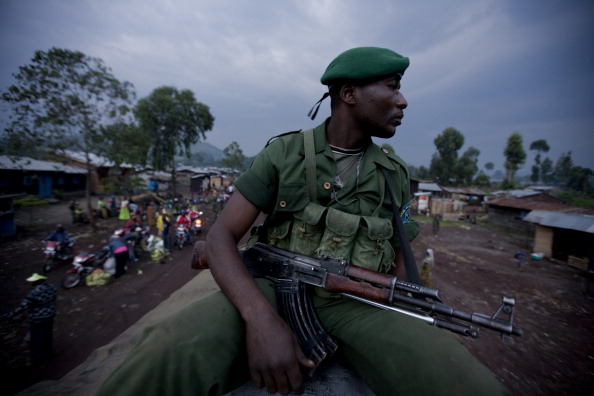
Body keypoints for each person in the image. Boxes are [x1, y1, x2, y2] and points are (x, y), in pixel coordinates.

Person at [97, 47, 511, 396]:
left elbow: (403, 259)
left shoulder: (394, 173)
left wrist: (418, 319)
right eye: (393, 87)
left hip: (357, 305)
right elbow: (222, 235)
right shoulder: (284, 154)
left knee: (463, 380)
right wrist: (259, 319)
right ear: (348, 93)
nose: (402, 101)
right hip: (271, 289)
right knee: (163, 352)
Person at [2, 273, 56, 366]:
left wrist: (9, 315)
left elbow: (23, 307)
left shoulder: (34, 293)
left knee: (36, 340)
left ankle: (36, 360)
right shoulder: (52, 287)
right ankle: (49, 354)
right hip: (50, 316)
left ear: (36, 281)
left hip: (38, 319)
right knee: (47, 336)